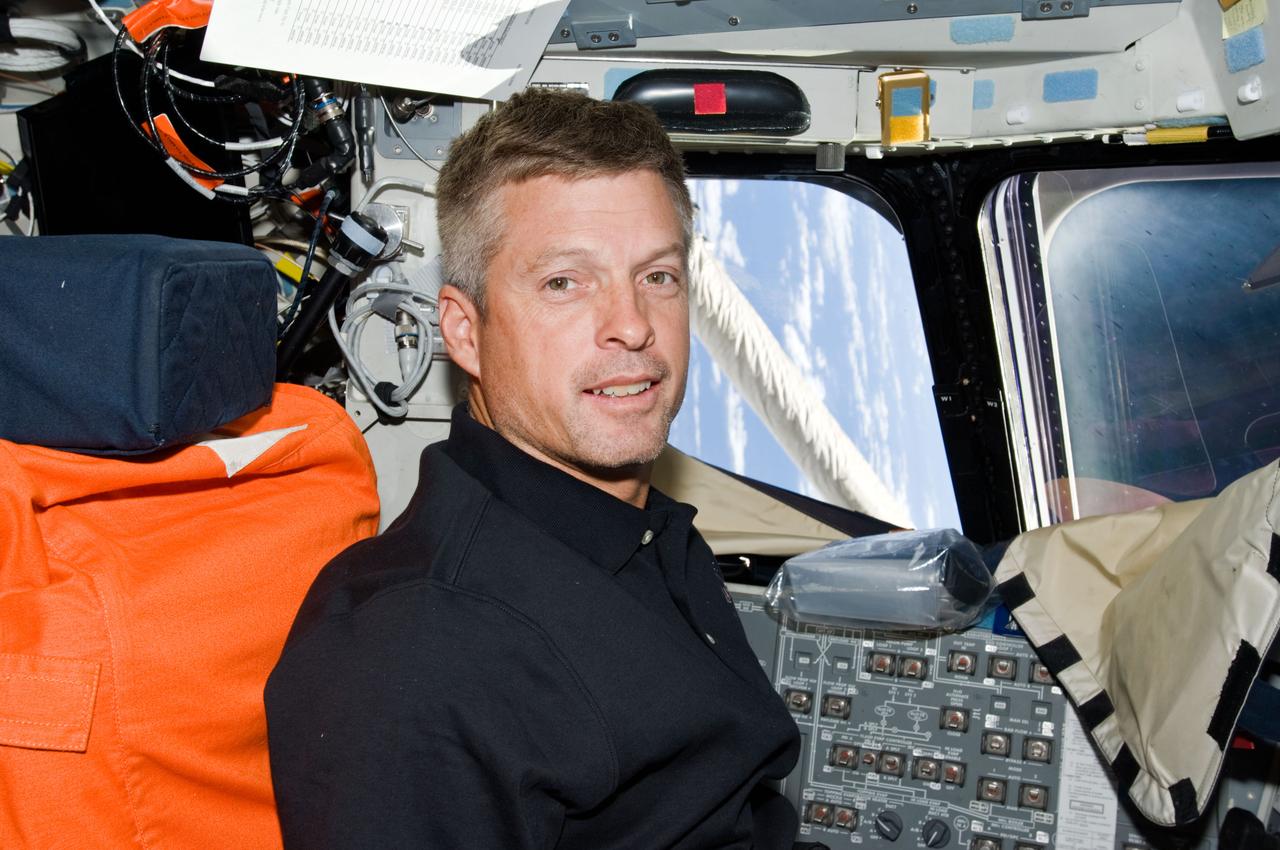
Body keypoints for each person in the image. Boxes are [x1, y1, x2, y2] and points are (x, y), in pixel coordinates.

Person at [265, 88, 802, 849]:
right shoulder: (412, 658)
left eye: (658, 276)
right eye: (564, 283)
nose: (632, 326)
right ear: (466, 332)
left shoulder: (646, 532)